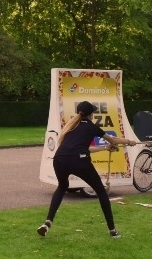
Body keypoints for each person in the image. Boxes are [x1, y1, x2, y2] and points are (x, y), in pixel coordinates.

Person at [36, 100, 137, 239]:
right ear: (90, 114)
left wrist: (105, 148)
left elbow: (83, 148)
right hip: (79, 161)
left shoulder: (71, 126)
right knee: (101, 192)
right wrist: (129, 142)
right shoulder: (91, 127)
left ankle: (47, 223)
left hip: (60, 160)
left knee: (62, 187)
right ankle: (113, 231)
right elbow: (113, 140)